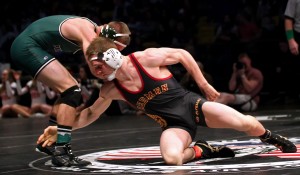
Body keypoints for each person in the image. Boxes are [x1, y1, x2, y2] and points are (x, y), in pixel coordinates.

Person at [37, 37, 296, 166]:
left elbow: (182, 55)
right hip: (173, 125)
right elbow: (89, 115)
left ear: (113, 55)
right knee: (172, 159)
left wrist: (204, 84)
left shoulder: (145, 58)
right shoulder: (111, 90)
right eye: (93, 67)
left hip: (192, 106)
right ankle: (204, 150)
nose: (97, 71)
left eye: (99, 64)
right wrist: (64, 130)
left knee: (246, 123)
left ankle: (270, 137)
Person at [10, 15, 131, 167]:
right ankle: (61, 151)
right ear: (107, 39)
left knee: (69, 89)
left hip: (31, 46)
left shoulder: (93, 32)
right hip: (26, 46)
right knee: (72, 90)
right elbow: (95, 67)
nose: (109, 54)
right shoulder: (88, 31)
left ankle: (53, 143)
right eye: (111, 50)